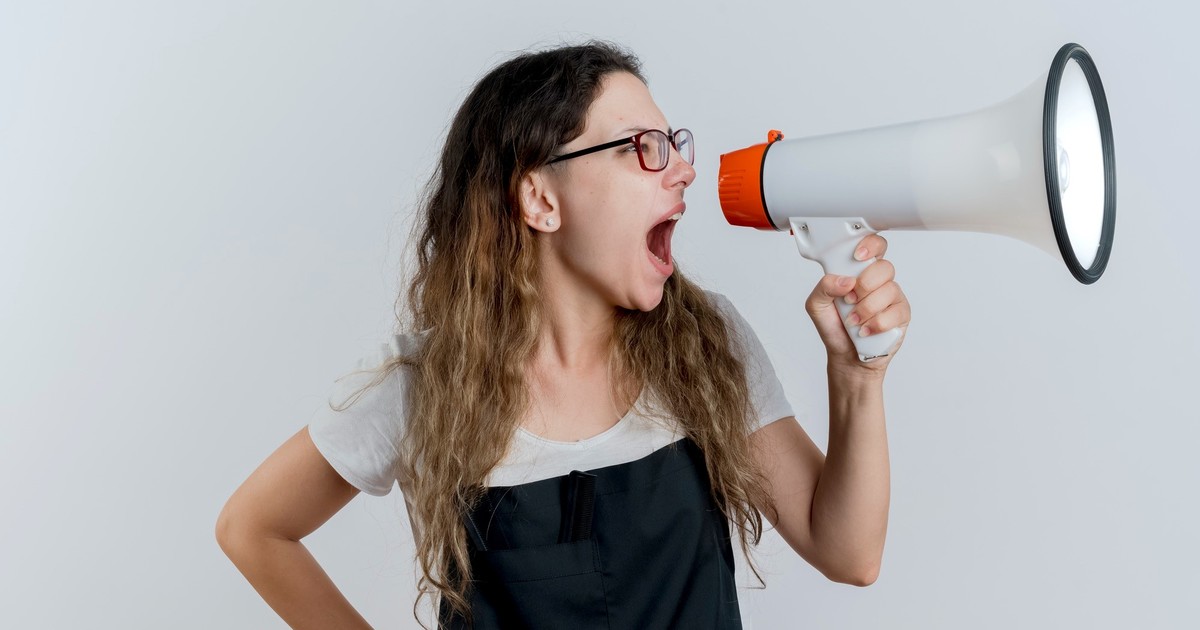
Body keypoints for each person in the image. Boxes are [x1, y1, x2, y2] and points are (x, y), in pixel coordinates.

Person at [216, 40, 910, 629]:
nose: (685, 168)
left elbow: (848, 553)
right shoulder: (424, 385)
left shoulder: (706, 345)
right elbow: (253, 529)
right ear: (541, 199)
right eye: (642, 148)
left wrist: (857, 376)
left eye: (673, 144)